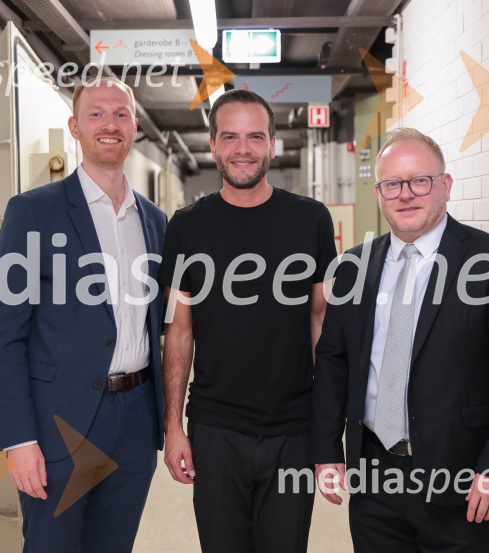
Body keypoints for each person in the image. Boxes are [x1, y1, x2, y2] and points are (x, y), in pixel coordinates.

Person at [311, 128, 489, 553]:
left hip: (460, 477)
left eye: (420, 181)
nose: (406, 194)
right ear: (379, 193)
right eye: (392, 184)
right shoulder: (354, 267)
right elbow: (333, 362)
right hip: (374, 476)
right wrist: (327, 450)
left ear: (445, 186)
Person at [0, 76, 167, 553]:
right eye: (96, 114)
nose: (110, 124)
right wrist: (19, 440)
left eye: (121, 114)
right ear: (75, 127)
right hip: (57, 424)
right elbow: (5, 338)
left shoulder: (154, 220)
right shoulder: (32, 213)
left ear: (134, 126)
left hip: (135, 417)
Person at [159, 89, 337, 553]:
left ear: (273, 145)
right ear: (213, 145)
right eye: (231, 137)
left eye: (255, 136)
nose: (243, 149)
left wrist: (327, 434)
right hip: (216, 431)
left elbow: (322, 325)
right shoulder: (185, 227)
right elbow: (179, 333)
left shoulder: (311, 220)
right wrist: (173, 427)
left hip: (294, 431)